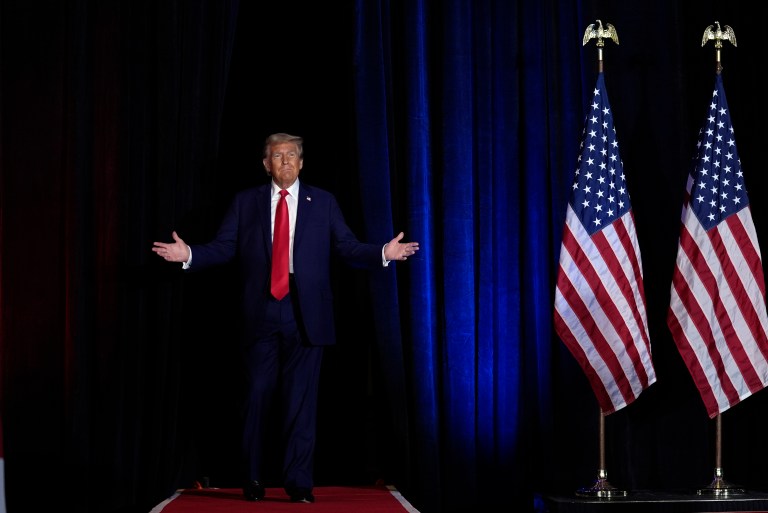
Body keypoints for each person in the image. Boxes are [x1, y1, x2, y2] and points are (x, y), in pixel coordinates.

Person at [152, 132, 419, 504]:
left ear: (302, 162)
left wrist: (382, 253)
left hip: (307, 313)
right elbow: (225, 247)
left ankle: (298, 484)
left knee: (301, 402)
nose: (286, 161)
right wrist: (190, 254)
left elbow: (346, 246)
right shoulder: (246, 203)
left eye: (292, 155)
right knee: (256, 396)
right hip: (260, 311)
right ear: (266, 164)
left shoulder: (323, 202)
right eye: (278, 156)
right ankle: (253, 479)